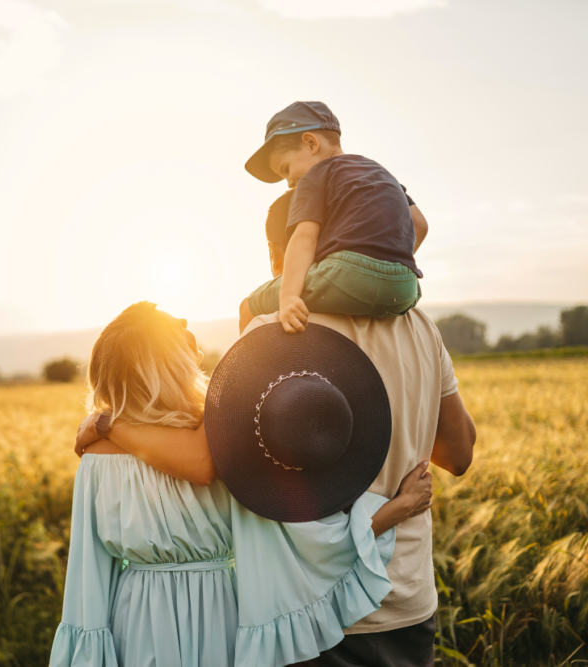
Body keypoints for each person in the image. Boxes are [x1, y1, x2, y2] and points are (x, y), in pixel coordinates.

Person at [77, 301, 476, 666]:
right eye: (173, 327)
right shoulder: (226, 456)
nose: (183, 322)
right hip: (220, 622)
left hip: (134, 624)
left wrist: (106, 422)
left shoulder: (93, 457)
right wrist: (397, 509)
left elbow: (87, 572)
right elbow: (306, 544)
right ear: (166, 363)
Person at [242, 101, 431, 333]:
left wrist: (289, 297)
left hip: (350, 276)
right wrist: (386, 261)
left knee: (249, 306)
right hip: (406, 287)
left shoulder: (315, 176)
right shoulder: (381, 172)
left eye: (286, 169)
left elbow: (304, 239)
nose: (290, 182)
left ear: (311, 143)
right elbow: (420, 224)